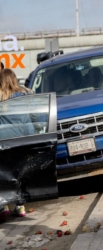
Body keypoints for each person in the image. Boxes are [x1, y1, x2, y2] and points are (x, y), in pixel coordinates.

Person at [0, 68, 33, 220]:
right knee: (19, 174)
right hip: (22, 142)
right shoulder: (24, 96)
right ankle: (20, 206)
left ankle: (3, 207)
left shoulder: (0, 98)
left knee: (3, 175)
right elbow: (28, 120)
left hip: (3, 143)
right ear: (14, 80)